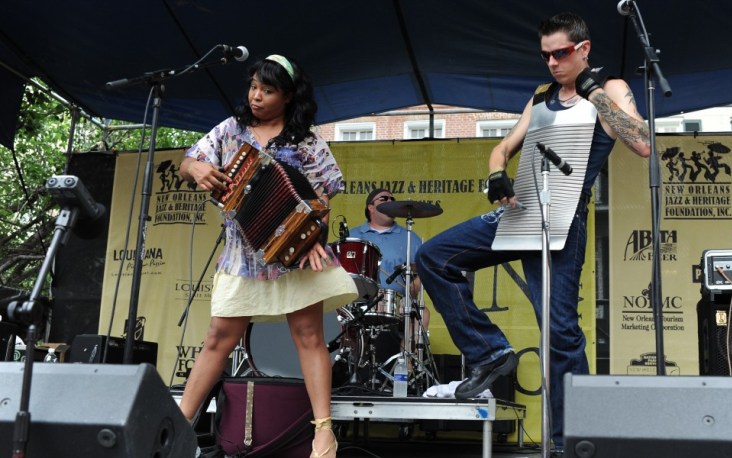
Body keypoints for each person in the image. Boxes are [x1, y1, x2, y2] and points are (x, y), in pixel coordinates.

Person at [415, 13, 651, 452]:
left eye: (560, 54)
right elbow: (502, 148)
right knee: (433, 257)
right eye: (545, 56)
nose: (552, 63)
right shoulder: (541, 96)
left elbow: (641, 143)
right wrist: (496, 174)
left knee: (559, 331)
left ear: (583, 49)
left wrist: (593, 92)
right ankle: (490, 352)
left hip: (564, 219)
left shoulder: (610, 88)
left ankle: (571, 442)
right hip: (521, 211)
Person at [178, 54, 357, 458]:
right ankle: (175, 426)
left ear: (289, 96)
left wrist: (311, 237)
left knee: (310, 337)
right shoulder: (230, 131)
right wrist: (196, 170)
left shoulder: (308, 143)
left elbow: (324, 196)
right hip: (242, 256)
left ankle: (324, 433)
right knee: (217, 340)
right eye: (253, 86)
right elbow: (189, 161)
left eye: (268, 90)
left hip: (293, 255)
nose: (256, 96)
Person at [342, 189, 429, 387]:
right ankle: (346, 366)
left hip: (394, 300)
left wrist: (412, 290)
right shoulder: (353, 235)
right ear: (370, 207)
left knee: (422, 313)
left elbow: (421, 272)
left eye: (392, 199)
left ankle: (403, 369)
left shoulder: (409, 237)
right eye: (384, 199)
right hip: (357, 300)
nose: (390, 201)